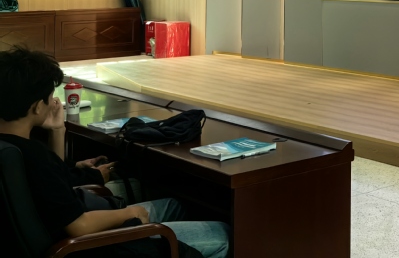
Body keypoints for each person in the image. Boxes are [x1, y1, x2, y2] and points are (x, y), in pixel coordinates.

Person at [0, 46, 230, 258]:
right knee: (223, 234)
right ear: (37, 106)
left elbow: (55, 185)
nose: (53, 102)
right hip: (92, 246)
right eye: (50, 97)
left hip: (65, 236)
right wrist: (130, 213)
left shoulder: (15, 150)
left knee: (175, 206)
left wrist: (58, 130)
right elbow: (78, 226)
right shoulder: (34, 156)